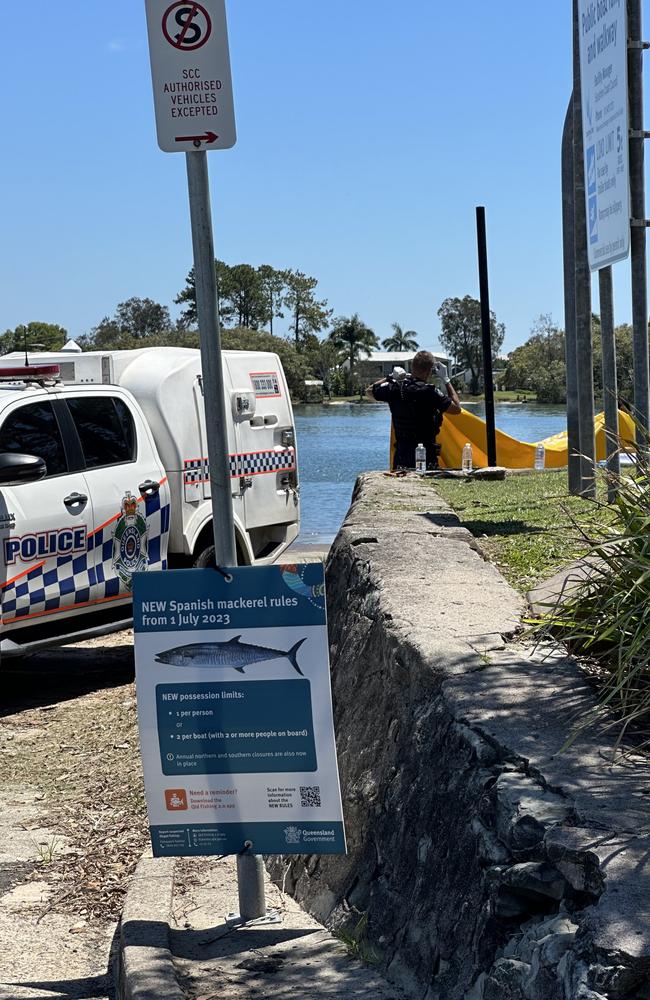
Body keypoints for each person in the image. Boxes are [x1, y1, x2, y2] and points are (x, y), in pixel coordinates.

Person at [366, 350, 461, 469]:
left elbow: (369, 391)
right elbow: (457, 409)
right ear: (430, 371)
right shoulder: (430, 392)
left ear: (412, 366)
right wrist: (446, 380)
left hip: (401, 457)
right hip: (425, 456)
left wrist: (389, 377)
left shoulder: (395, 388)